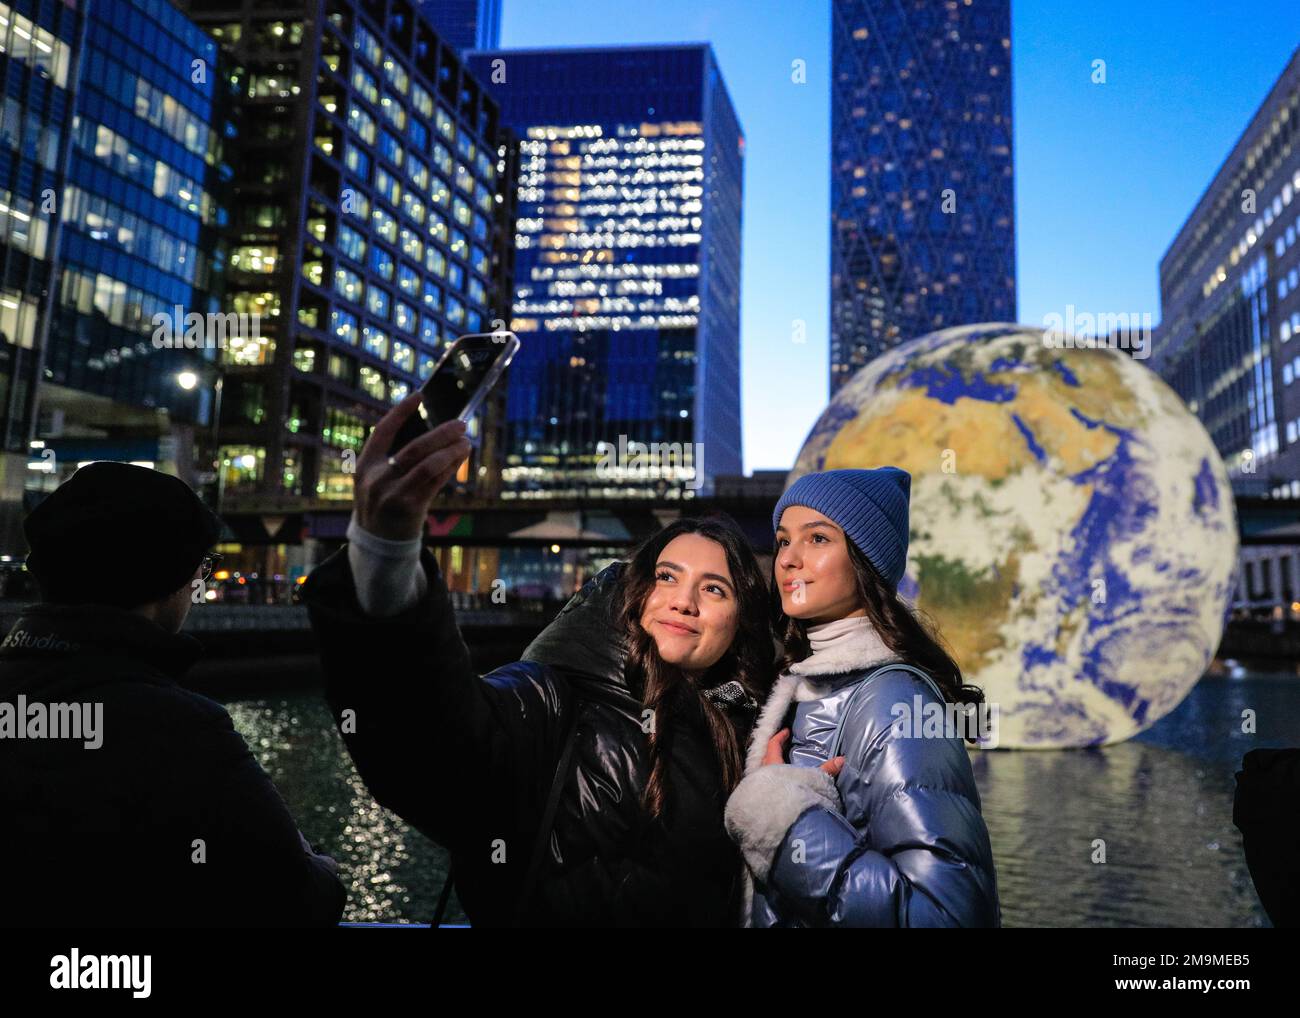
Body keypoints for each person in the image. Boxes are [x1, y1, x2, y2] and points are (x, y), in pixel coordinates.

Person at [300, 393, 774, 925]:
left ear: (739, 620)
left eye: (714, 589)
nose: (683, 601)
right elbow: (434, 740)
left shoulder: (750, 726)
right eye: (666, 577)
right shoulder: (553, 700)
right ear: (635, 592)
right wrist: (384, 555)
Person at [0, 462, 346, 927]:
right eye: (200, 568)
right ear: (166, 582)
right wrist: (322, 866)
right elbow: (298, 895)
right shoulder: (183, 729)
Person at [724, 467, 1001, 926]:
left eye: (817, 539)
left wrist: (785, 816)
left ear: (865, 561)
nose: (789, 559)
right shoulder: (806, 682)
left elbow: (947, 914)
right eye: (783, 540)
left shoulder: (896, 702)